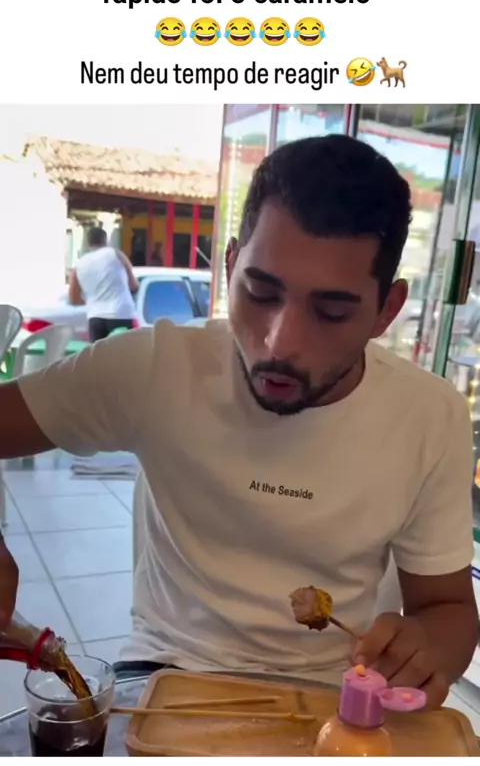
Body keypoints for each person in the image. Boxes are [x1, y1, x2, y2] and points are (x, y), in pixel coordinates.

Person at [0, 136, 477, 708]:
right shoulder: (155, 368)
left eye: (330, 312)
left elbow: (446, 609)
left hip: (334, 688)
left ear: (387, 311)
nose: (280, 343)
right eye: (260, 292)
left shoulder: (428, 416)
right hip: (169, 668)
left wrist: (429, 648)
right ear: (229, 266)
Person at [68, 227, 139, 342]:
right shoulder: (115, 254)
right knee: (124, 352)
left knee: (98, 353)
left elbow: (73, 299)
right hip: (121, 314)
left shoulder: (79, 264)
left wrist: (93, 301)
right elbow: (133, 285)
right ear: (106, 240)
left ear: (88, 242)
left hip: (95, 317)